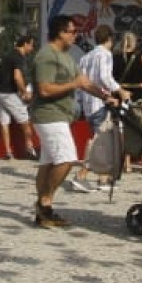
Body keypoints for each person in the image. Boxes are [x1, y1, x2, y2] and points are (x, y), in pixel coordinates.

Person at [28, 15, 98, 229]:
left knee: (48, 162)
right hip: (49, 114)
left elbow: (84, 82)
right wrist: (73, 84)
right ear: (60, 32)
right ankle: (44, 203)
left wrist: (108, 95)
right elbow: (44, 89)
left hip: (59, 115)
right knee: (67, 158)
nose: (76, 35)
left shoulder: (66, 56)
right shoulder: (46, 56)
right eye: (72, 31)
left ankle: (43, 212)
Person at [70, 24, 126, 194]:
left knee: (101, 140)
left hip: (88, 103)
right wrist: (119, 90)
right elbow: (104, 77)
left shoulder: (86, 57)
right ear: (110, 38)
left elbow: (81, 82)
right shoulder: (105, 54)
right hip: (101, 102)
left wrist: (80, 101)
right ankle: (81, 175)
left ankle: (103, 178)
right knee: (100, 141)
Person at [0, 32, 38, 162]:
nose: (32, 49)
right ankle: (30, 147)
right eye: (31, 45)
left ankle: (8, 151)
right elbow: (17, 76)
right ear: (26, 44)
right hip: (8, 93)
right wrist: (24, 92)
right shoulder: (18, 57)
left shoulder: (8, 55)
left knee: (4, 121)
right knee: (25, 119)